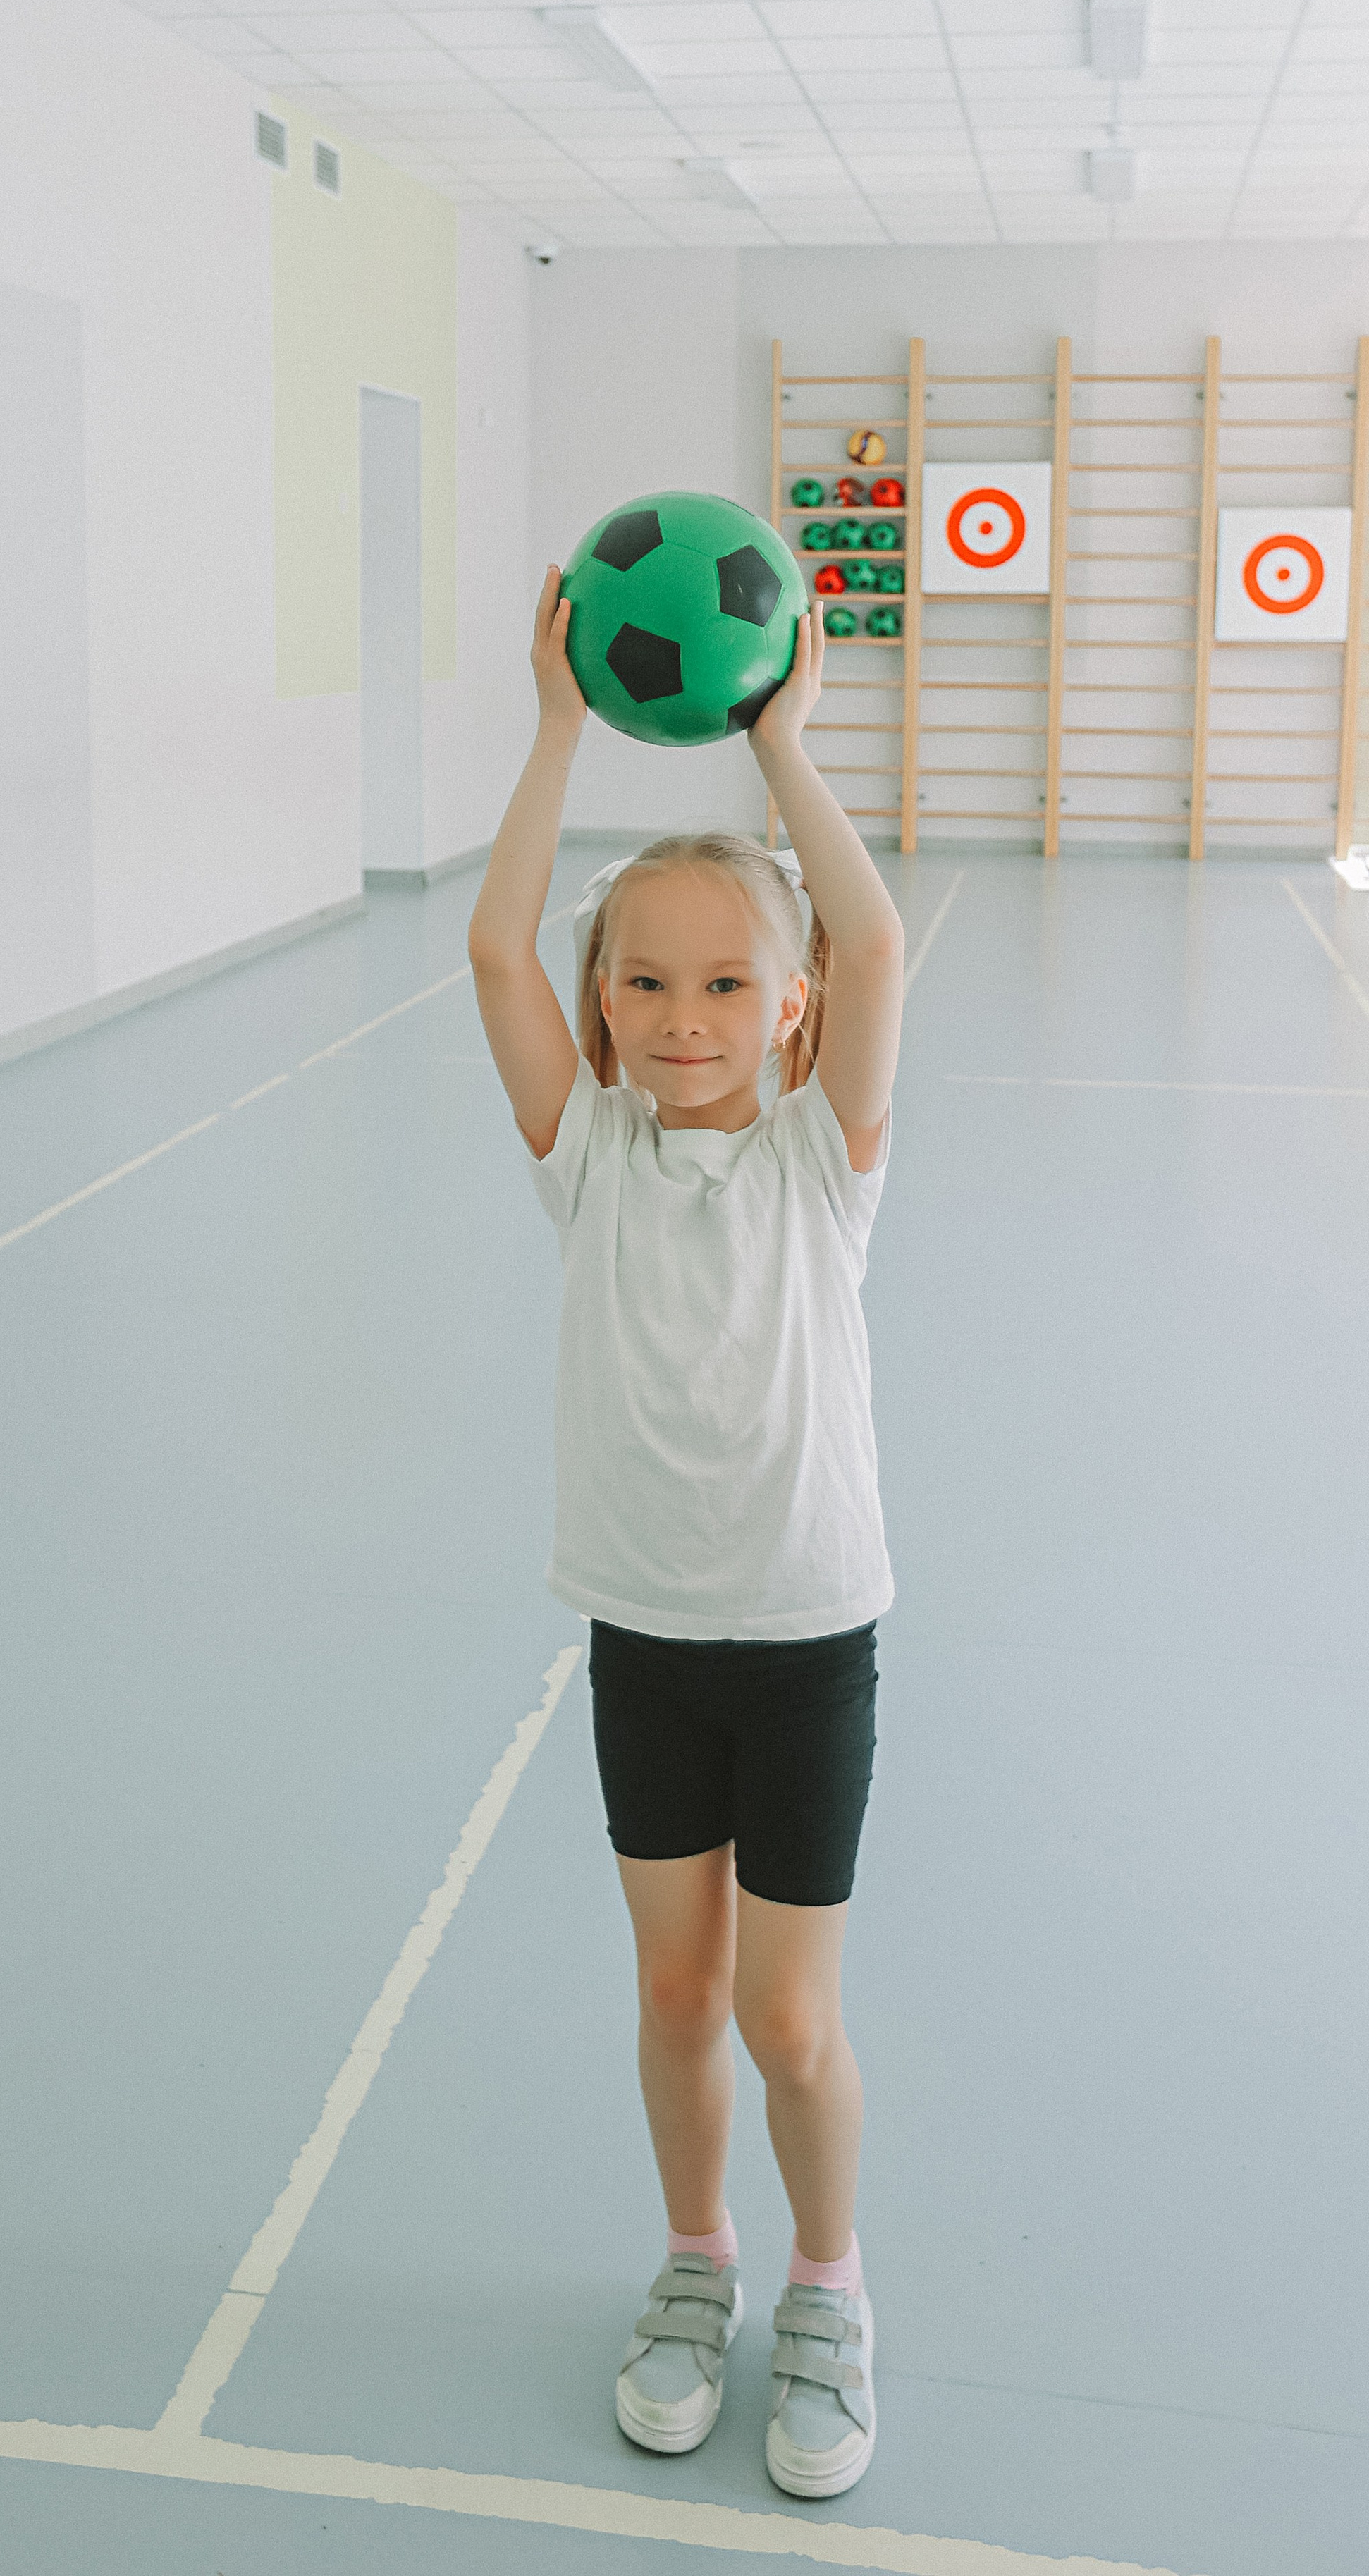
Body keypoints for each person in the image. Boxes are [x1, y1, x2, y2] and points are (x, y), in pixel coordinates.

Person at [467, 576, 904, 2501]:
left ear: (787, 1007)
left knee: (790, 2017)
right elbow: (492, 948)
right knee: (672, 1996)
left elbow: (873, 938)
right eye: (642, 984)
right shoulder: (591, 1159)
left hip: (805, 1640)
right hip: (645, 1638)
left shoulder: (822, 1159)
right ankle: (696, 2258)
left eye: (726, 985)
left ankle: (826, 2285)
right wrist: (556, 725)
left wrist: (779, 745)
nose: (680, 1018)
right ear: (603, 1007)